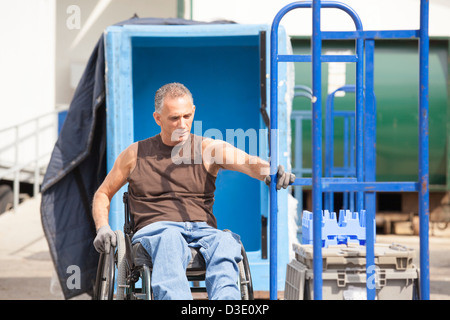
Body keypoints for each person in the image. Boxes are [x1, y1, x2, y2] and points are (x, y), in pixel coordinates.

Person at [92, 82, 295, 300]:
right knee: (170, 239)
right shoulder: (135, 154)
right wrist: (102, 228)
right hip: (157, 230)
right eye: (174, 118)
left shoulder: (208, 149)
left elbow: (246, 162)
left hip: (202, 230)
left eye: (187, 116)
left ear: (194, 111)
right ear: (158, 118)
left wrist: (270, 172)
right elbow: (103, 193)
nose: (182, 124)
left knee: (226, 242)